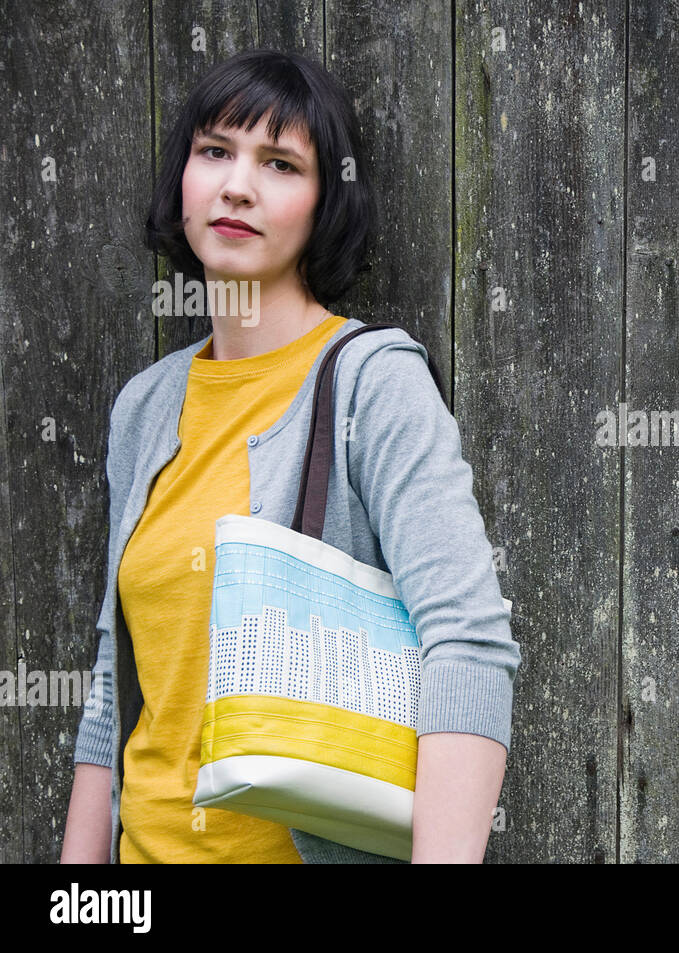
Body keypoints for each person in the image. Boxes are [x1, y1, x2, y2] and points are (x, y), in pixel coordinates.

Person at [59, 49, 520, 863]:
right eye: (215, 152)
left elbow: (468, 643)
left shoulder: (373, 384)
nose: (238, 185)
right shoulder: (144, 407)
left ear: (323, 204)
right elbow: (114, 673)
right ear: (183, 181)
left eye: (280, 163)